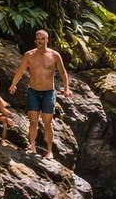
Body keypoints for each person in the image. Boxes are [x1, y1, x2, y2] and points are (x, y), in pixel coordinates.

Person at [9, 29, 72, 157]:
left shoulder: (54, 55)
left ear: (47, 40)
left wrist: (66, 88)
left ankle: (49, 151)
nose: (40, 41)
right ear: (35, 41)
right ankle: (32, 146)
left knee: (47, 122)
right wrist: (13, 84)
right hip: (33, 91)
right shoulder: (29, 55)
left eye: (42, 39)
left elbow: (63, 72)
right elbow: (20, 70)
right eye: (38, 39)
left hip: (49, 92)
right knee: (33, 121)